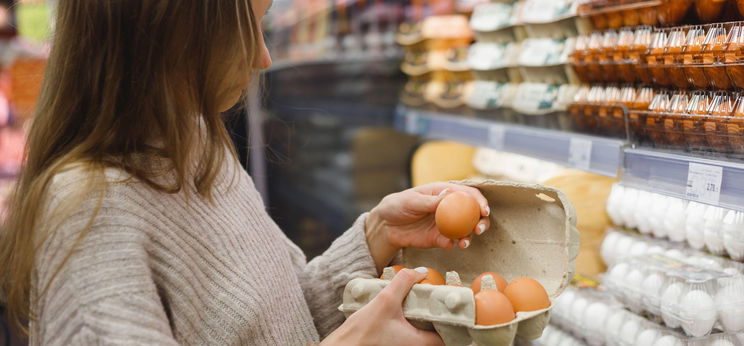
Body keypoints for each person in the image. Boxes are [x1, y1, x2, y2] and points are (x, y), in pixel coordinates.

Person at [0, 1, 492, 345]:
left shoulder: (196, 145)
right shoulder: (89, 216)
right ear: (171, 34)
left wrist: (376, 235)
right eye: (249, 27)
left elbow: (275, 322)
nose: (263, 57)